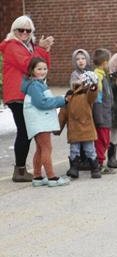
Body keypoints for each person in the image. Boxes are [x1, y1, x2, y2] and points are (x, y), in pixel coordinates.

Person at [0, 16, 55, 182]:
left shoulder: (30, 46)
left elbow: (43, 66)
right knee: (24, 131)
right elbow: (29, 66)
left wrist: (43, 50)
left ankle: (25, 169)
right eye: (20, 30)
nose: (24, 33)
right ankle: (20, 170)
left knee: (28, 132)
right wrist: (40, 49)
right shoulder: (11, 46)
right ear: (14, 31)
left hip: (28, 94)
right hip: (17, 94)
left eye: (28, 30)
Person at [21, 57, 70, 187]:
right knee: (47, 148)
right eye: (39, 69)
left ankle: (37, 176)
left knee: (41, 149)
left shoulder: (38, 83)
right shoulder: (35, 85)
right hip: (40, 122)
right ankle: (52, 177)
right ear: (32, 70)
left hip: (39, 122)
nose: (42, 71)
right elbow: (41, 103)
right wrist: (62, 100)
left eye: (45, 68)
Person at [61, 49, 100, 179]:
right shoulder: (70, 96)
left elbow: (93, 94)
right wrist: (58, 126)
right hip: (74, 126)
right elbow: (63, 112)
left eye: (83, 58)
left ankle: (95, 167)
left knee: (89, 148)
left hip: (86, 123)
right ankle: (74, 167)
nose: (80, 61)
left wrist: (93, 86)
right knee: (74, 149)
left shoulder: (87, 94)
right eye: (77, 59)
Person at [92, 49, 115, 174]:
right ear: (105, 62)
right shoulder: (98, 77)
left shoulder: (104, 75)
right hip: (102, 115)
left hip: (106, 113)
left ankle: (101, 162)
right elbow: (97, 99)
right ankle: (99, 164)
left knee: (105, 140)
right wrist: (99, 117)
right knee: (102, 140)